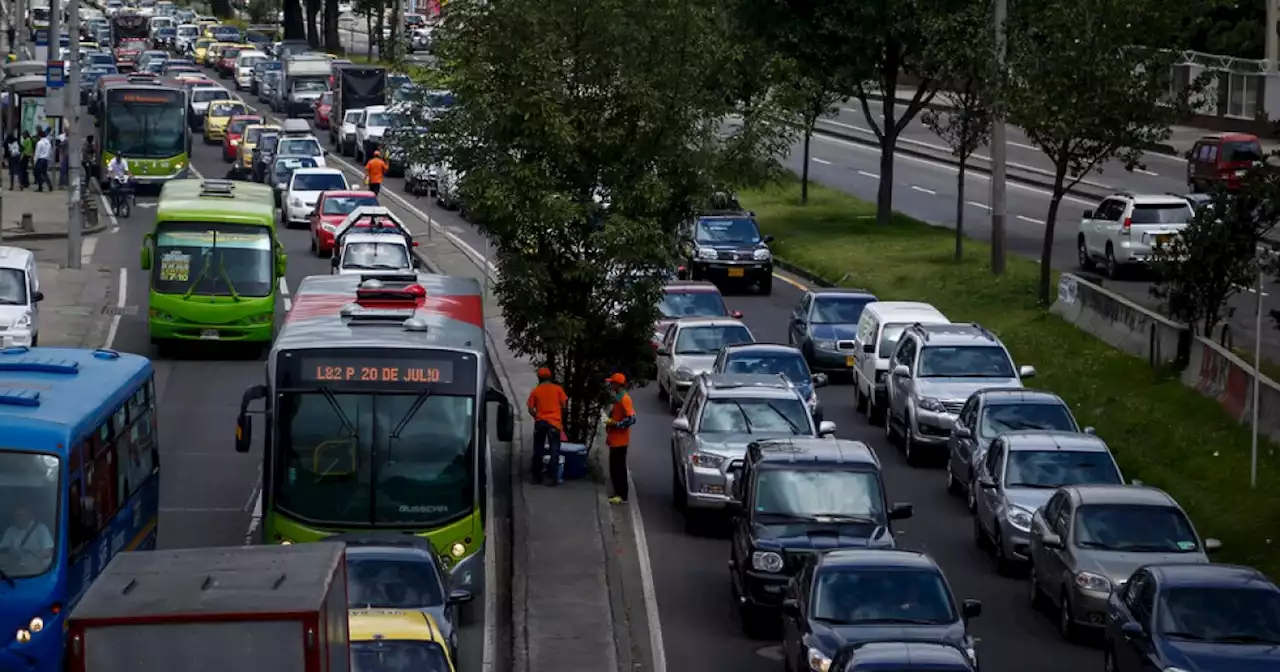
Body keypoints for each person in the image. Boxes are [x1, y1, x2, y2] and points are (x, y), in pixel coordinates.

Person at [527, 366, 568, 485]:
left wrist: (537, 416)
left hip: (540, 423)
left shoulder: (536, 391)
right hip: (554, 423)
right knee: (554, 450)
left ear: (539, 378)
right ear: (550, 377)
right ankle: (554, 478)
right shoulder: (558, 389)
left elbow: (530, 408)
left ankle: (536, 477)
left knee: (538, 449)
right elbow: (564, 406)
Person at [604, 373, 636, 504]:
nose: (611, 385)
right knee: (615, 467)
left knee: (618, 468)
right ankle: (618, 493)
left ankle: (621, 495)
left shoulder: (624, 399)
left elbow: (632, 419)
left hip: (620, 440)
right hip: (615, 439)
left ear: (618, 385)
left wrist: (615, 424)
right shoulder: (618, 397)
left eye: (612, 383)